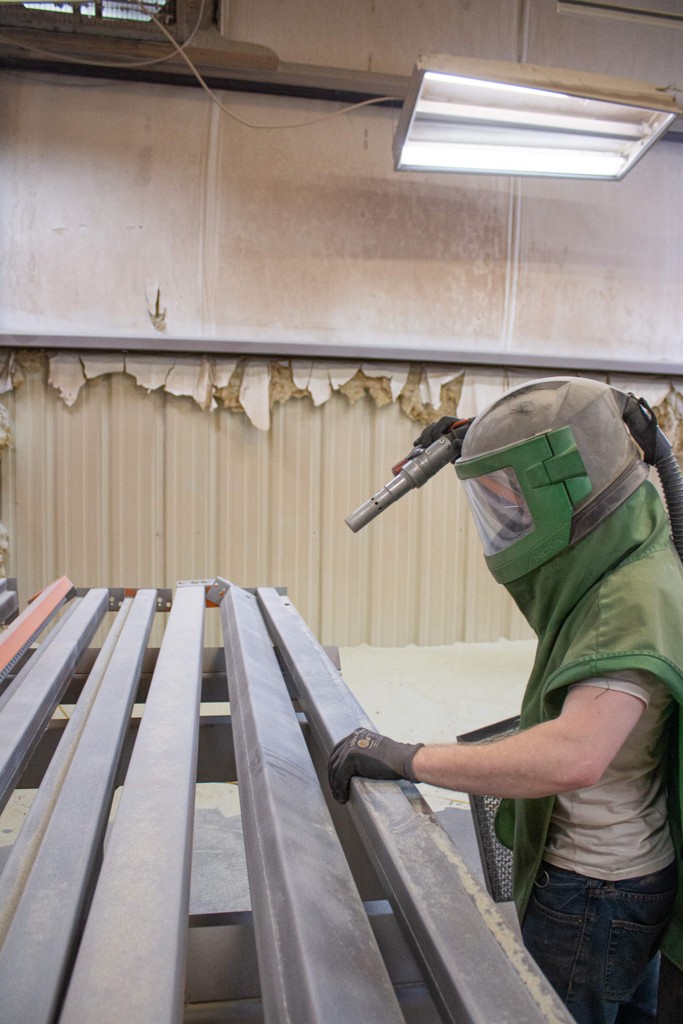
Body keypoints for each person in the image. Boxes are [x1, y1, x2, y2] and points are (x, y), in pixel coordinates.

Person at [328, 377, 683, 1024]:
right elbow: (576, 424)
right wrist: (485, 439)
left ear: (568, 494)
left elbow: (574, 756)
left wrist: (406, 758)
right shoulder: (638, 556)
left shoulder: (624, 605)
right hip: (629, 884)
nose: (508, 519)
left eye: (516, 500)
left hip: (593, 895)